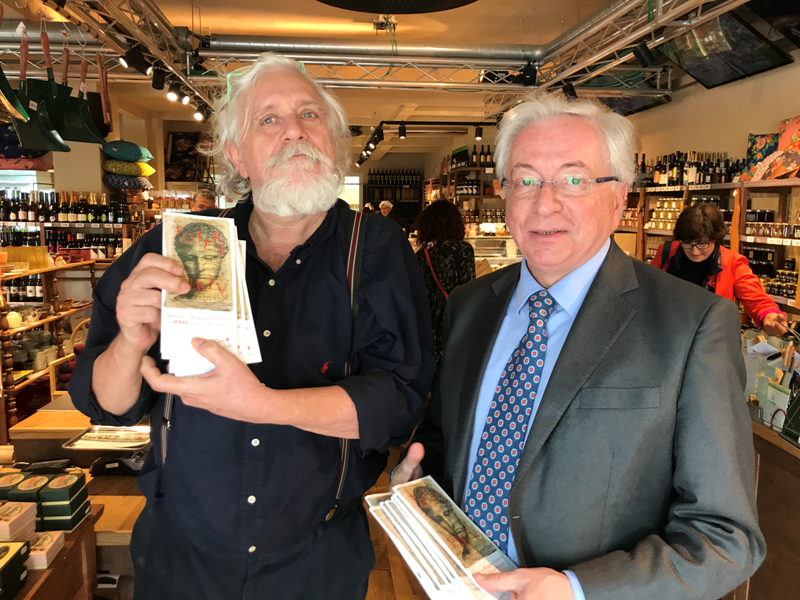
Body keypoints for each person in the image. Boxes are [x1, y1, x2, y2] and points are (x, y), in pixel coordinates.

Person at [69, 53, 435, 600]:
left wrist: (263, 405)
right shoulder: (178, 246)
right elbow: (108, 406)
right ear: (237, 156)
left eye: (310, 115)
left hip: (317, 560)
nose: (294, 131)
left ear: (334, 143)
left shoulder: (377, 248)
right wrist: (129, 343)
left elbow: (397, 401)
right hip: (182, 557)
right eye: (269, 119)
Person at [391, 91, 765, 600]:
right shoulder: (470, 306)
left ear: (619, 198)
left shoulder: (691, 324)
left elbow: (726, 538)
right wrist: (419, 484)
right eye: (525, 180)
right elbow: (446, 440)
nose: (544, 203)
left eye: (574, 180)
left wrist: (577, 589)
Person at [651, 202, 787, 336]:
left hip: (711, 338)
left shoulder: (732, 262)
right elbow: (648, 288)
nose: (695, 251)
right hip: (667, 335)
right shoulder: (666, 253)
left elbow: (756, 299)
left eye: (702, 244)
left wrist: (769, 315)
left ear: (715, 239)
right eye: (687, 243)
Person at [414, 200, 476, 362]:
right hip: (454, 320)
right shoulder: (461, 249)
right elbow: (469, 289)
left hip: (427, 325)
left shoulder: (421, 255)